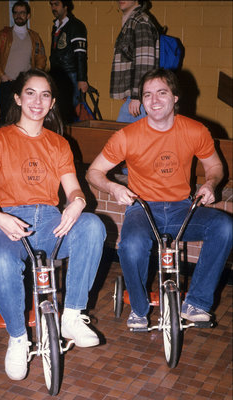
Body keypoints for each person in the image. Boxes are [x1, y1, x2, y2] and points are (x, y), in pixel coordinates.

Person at [0, 68, 106, 381]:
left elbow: (73, 187)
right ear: (18, 98)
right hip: (11, 222)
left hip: (49, 221)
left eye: (45, 95)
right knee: (3, 266)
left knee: (92, 226)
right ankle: (19, 339)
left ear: (51, 103)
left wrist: (76, 202)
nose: (37, 101)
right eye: (30, 93)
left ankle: (72, 315)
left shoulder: (59, 144)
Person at [87, 68, 232, 330]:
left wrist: (210, 184)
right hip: (143, 208)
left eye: (161, 93)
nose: (154, 101)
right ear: (141, 101)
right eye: (147, 95)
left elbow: (215, 167)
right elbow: (93, 173)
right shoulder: (127, 136)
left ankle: (196, 303)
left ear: (175, 97)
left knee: (224, 226)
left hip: (181, 208)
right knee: (131, 245)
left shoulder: (196, 131)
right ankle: (140, 309)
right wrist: (113, 188)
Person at [0, 0, 46, 127]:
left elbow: (41, 58)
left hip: (25, 85)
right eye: (16, 13)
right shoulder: (3, 36)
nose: (19, 15)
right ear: (13, 15)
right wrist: (2, 76)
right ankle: (0, 146)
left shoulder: (35, 37)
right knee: (5, 118)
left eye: (22, 13)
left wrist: (34, 77)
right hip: (7, 84)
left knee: (24, 118)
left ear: (28, 15)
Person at [111, 0, 159, 123]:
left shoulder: (140, 22)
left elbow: (145, 62)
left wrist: (137, 96)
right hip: (136, 96)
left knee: (122, 138)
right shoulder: (131, 21)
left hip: (141, 98)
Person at [49, 0, 88, 123]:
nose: (53, 7)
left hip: (71, 75)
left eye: (56, 4)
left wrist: (81, 79)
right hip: (57, 75)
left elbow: (80, 55)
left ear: (66, 6)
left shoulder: (76, 26)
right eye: (51, 5)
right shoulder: (56, 26)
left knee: (70, 112)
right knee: (58, 111)